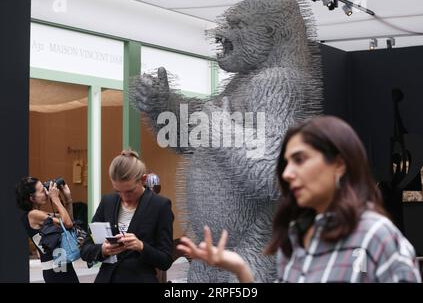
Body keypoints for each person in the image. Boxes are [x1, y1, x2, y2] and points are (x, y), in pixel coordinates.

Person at [177, 116, 422, 283]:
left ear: (339, 163)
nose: (286, 173)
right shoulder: (296, 236)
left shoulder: (375, 235)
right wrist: (239, 267)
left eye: (300, 160)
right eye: (286, 163)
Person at [80, 150, 174, 282]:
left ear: (143, 179)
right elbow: (85, 249)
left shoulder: (160, 205)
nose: (124, 197)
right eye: (118, 191)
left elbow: (166, 260)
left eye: (129, 191)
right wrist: (103, 250)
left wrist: (141, 246)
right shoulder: (108, 202)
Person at [16, 176, 79, 283]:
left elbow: (69, 221)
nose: (46, 192)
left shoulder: (40, 215)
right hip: (56, 270)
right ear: (32, 198)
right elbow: (67, 223)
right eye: (42, 191)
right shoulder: (33, 215)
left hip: (62, 266)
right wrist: (55, 199)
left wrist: (67, 198)